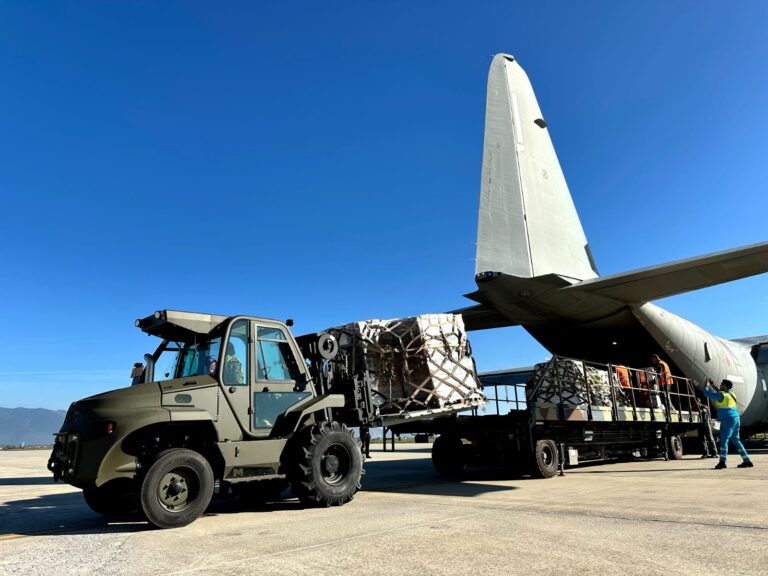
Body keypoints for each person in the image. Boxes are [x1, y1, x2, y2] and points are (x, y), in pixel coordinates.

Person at [701, 379, 753, 469]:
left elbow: (707, 394)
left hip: (727, 420)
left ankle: (722, 462)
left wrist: (706, 386)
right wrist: (713, 386)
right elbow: (721, 392)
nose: (720, 385)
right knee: (736, 440)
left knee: (724, 440)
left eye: (721, 384)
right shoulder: (731, 394)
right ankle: (747, 461)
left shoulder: (722, 395)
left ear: (724, 386)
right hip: (735, 419)